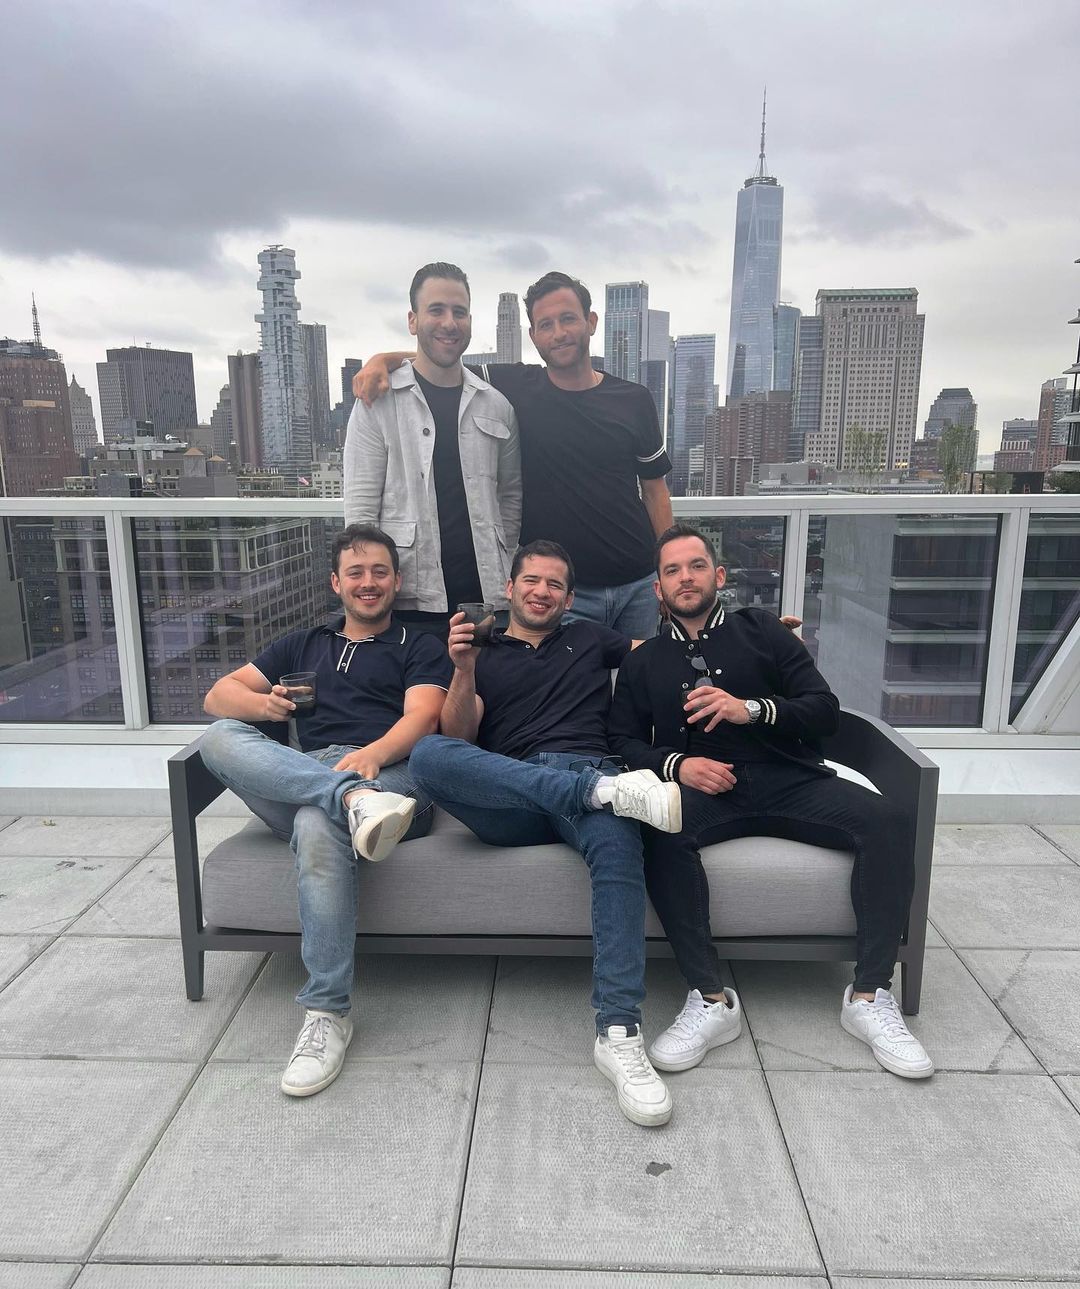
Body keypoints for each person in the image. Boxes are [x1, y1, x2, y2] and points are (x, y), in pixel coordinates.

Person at [608, 524, 934, 1080]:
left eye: (696, 566)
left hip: (789, 778)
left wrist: (752, 709)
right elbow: (621, 739)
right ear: (658, 589)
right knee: (658, 832)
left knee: (886, 820)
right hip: (704, 788)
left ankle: (869, 996)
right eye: (672, 571)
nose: (686, 578)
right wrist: (678, 765)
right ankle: (711, 1000)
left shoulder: (763, 631)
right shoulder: (645, 660)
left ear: (718, 575)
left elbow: (824, 710)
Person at [408, 539, 682, 1127]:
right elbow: (459, 737)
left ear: (570, 598)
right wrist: (462, 669)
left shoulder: (591, 638)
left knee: (618, 850)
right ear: (510, 588)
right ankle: (594, 793)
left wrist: (755, 640)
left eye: (555, 584)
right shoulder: (478, 651)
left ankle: (618, 1031)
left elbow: (665, 650)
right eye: (532, 581)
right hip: (515, 795)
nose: (542, 592)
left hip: (592, 773)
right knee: (428, 754)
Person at [200, 524, 452, 1098]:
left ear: (397, 581)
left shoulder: (418, 645)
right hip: (318, 775)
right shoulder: (302, 643)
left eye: (380, 572)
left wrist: (371, 758)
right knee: (218, 737)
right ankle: (347, 799)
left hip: (394, 777)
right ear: (336, 583)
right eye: (355, 573)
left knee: (316, 822)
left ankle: (327, 1012)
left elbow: (423, 719)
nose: (368, 583)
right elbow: (218, 696)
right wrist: (264, 704)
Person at [353, 270, 672, 638]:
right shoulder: (515, 386)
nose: (559, 333)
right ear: (533, 335)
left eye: (568, 319)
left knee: (639, 672)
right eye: (545, 324)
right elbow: (441, 354)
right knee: (568, 675)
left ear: (591, 322)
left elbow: (655, 492)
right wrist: (381, 360)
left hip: (638, 584)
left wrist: (666, 571)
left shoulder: (634, 399)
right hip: (560, 591)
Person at [343, 261, 521, 641]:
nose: (449, 323)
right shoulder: (378, 400)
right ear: (413, 320)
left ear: (470, 321)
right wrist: (368, 596)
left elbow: (510, 497)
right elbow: (360, 512)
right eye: (436, 310)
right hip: (408, 601)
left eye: (459, 312)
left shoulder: (496, 405)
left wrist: (502, 559)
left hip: (485, 601)